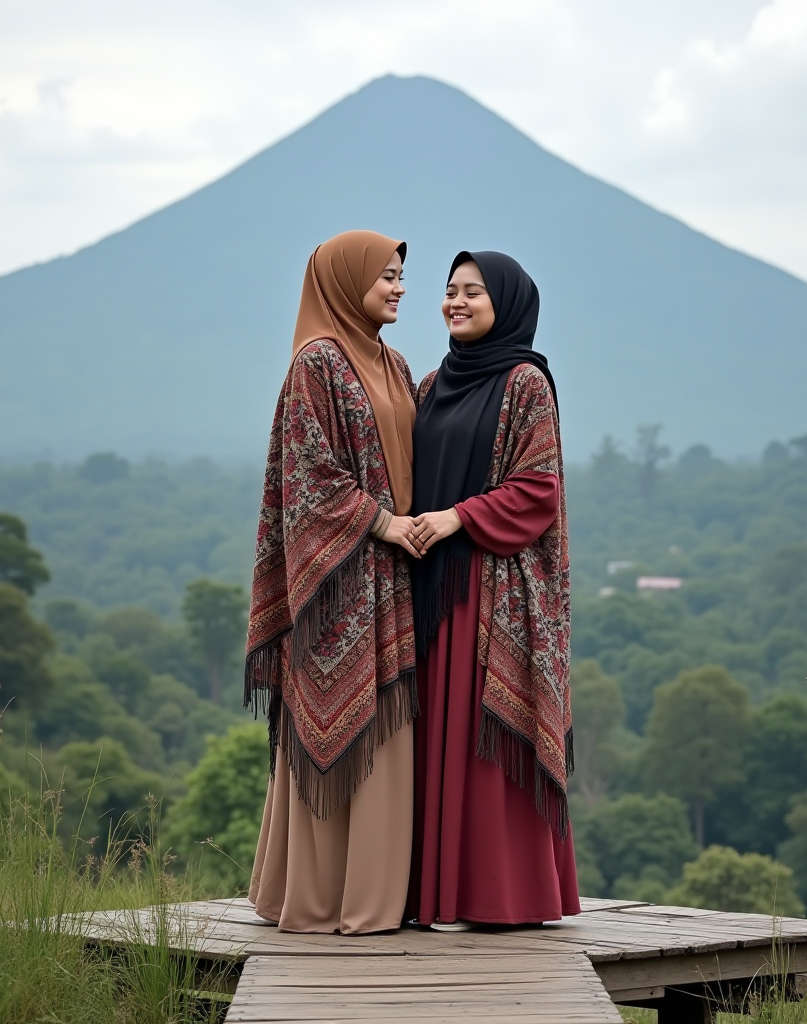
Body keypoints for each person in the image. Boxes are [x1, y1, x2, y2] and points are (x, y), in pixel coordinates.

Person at [245, 230, 421, 934]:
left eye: (403, 274)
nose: (400, 286)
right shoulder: (317, 363)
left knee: (389, 728)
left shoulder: (395, 363)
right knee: (338, 727)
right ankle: (317, 897)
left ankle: (377, 895)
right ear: (346, 282)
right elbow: (308, 473)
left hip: (397, 577)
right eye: (386, 275)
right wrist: (382, 525)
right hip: (338, 584)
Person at [406, 250, 580, 929]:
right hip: (430, 585)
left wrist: (457, 517)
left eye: (473, 292)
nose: (456, 302)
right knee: (431, 738)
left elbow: (538, 490)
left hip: (489, 590)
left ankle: (499, 896)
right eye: (450, 291)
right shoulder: (431, 384)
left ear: (505, 302)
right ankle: (432, 892)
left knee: (479, 739)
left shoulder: (525, 383)